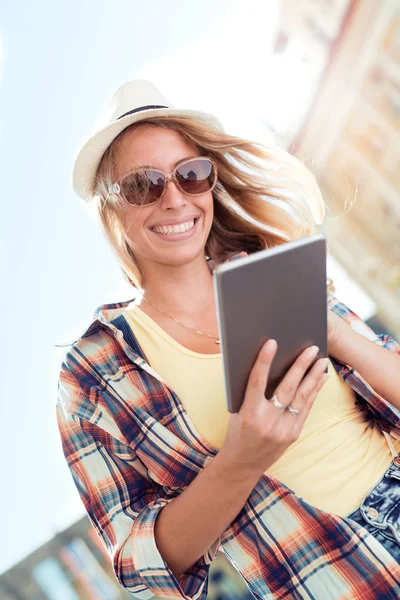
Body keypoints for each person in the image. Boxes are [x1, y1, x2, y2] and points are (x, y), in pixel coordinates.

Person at [56, 80, 400, 600]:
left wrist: (329, 330)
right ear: (111, 211)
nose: (174, 199)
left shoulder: (274, 275)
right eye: (143, 185)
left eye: (191, 175)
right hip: (333, 578)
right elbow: (138, 563)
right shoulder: (92, 374)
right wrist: (240, 459)